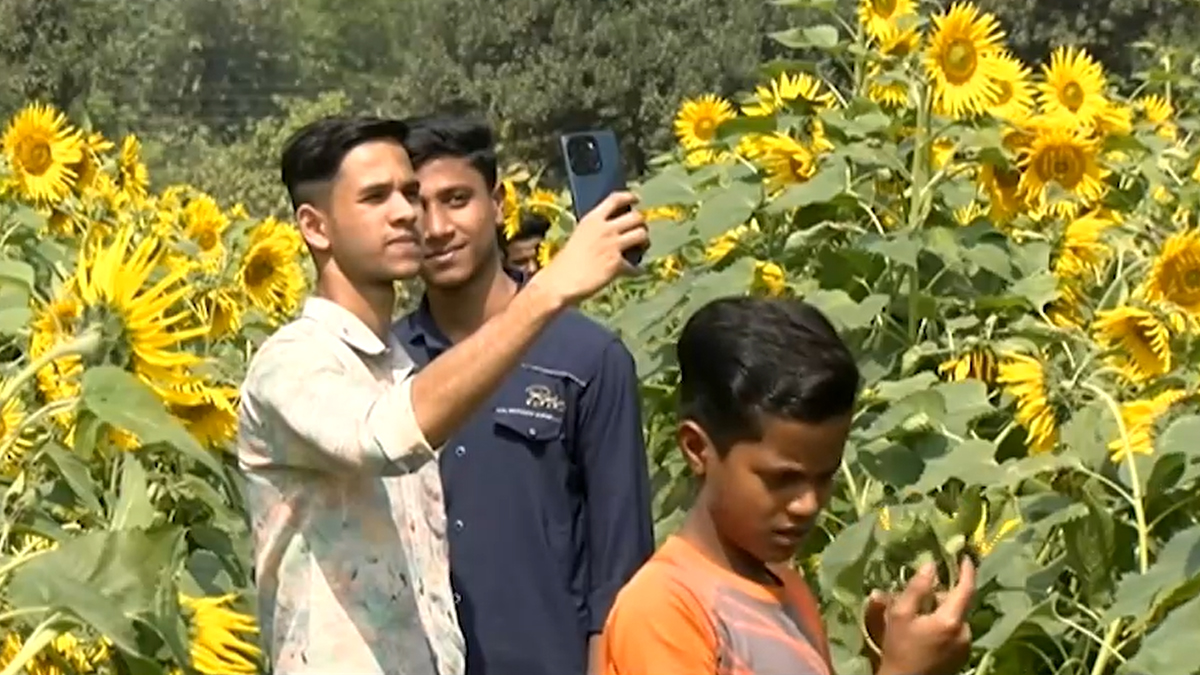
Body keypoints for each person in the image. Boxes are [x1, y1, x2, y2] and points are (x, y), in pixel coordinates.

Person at [236, 115, 648, 675]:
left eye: (410, 192)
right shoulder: (294, 363)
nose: (412, 215)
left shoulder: (399, 365)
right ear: (315, 226)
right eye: (377, 197)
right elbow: (384, 435)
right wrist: (551, 289)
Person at [394, 114, 654, 675]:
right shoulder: (383, 365)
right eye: (416, 207)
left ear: (497, 203)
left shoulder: (587, 360)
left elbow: (620, 570)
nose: (436, 227)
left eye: (457, 199)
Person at [600, 296, 976, 675]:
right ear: (698, 449)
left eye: (825, 476)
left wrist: (888, 657)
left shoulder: (788, 590)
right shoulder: (664, 611)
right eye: (782, 479)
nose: (808, 504)